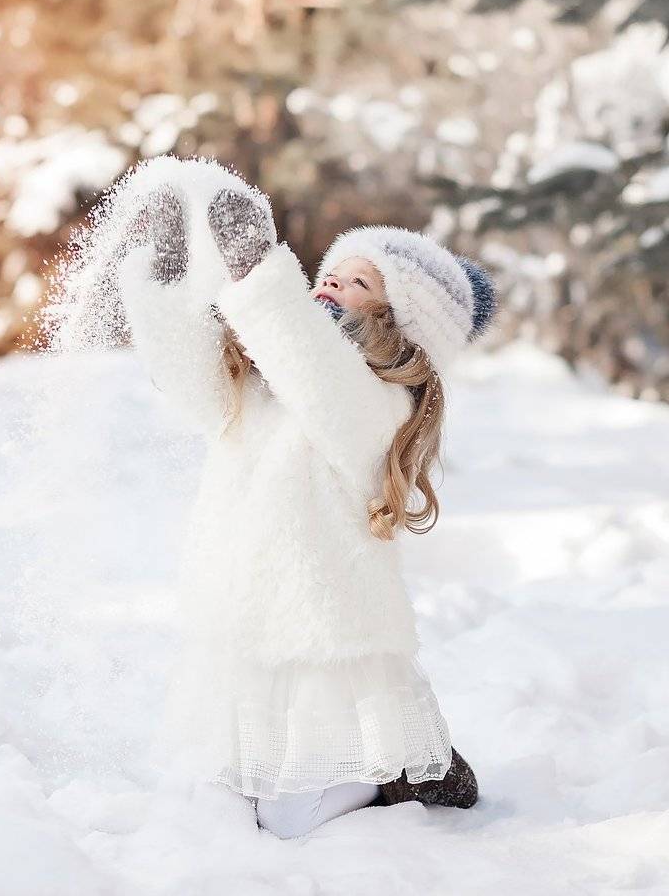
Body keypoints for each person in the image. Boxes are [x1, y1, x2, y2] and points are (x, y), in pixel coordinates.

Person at [111, 161, 495, 839]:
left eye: (361, 281)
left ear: (398, 322)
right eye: (332, 271)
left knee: (289, 822)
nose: (333, 282)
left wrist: (258, 270)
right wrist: (164, 281)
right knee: (210, 800)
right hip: (247, 619)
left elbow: (317, 371)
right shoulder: (265, 385)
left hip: (328, 639)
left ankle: (392, 775)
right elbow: (192, 379)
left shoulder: (378, 404)